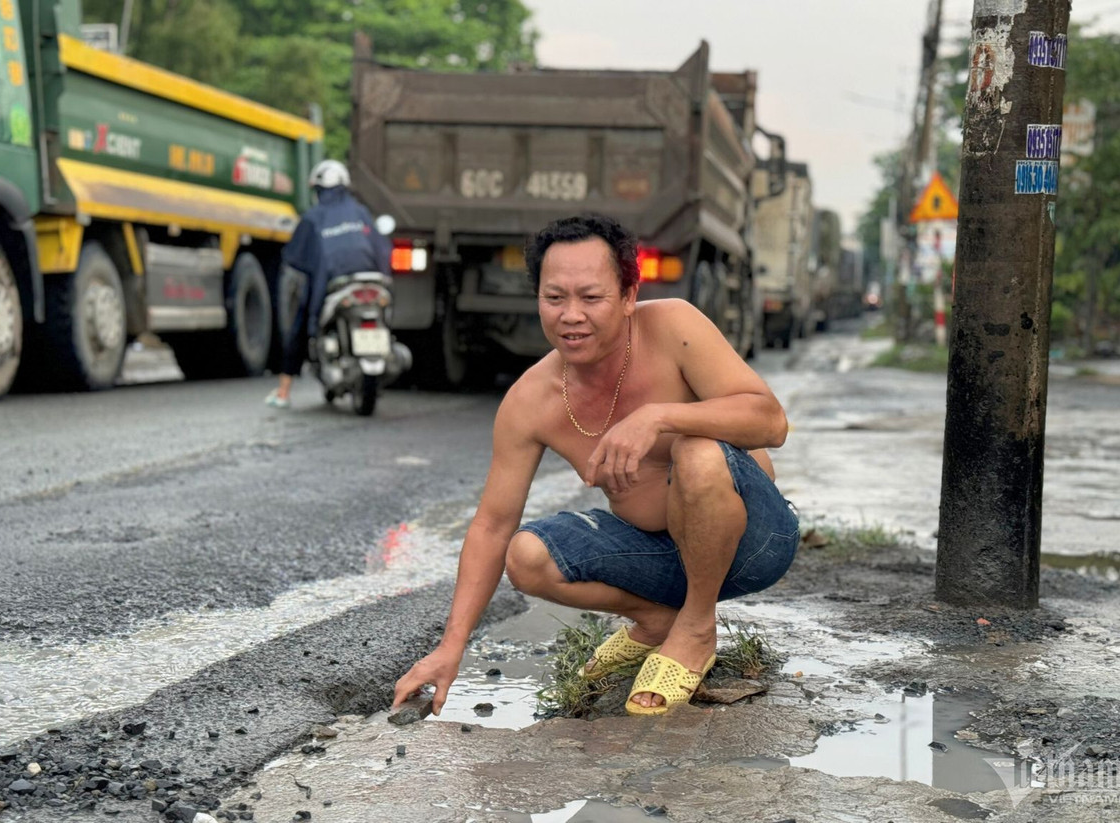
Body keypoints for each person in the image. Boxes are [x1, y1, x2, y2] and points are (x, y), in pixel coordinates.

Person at [391, 214, 798, 715]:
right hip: (657, 557)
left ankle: (696, 628)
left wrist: (660, 418)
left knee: (694, 449)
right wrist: (450, 648)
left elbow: (772, 423)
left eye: (591, 297)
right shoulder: (531, 400)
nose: (571, 315)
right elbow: (492, 524)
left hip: (752, 543)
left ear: (628, 295)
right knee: (526, 555)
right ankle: (658, 621)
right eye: (554, 298)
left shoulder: (674, 326)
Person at [266, 160, 392, 408]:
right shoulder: (360, 212)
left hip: (333, 284)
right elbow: (381, 249)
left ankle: (283, 391)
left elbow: (295, 257)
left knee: (301, 321)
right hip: (371, 281)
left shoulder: (313, 217)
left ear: (318, 189)